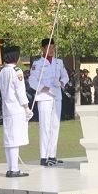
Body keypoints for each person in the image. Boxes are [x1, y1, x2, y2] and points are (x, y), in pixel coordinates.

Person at [29, 38, 69, 167]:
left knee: (55, 126)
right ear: (43, 48)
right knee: (45, 126)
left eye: (53, 47)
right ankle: (44, 156)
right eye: (49, 47)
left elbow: (65, 76)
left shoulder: (59, 62)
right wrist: (45, 88)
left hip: (56, 96)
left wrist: (62, 82)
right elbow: (33, 82)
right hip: (45, 97)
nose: (52, 50)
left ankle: (52, 155)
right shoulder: (38, 63)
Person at [0, 46, 32, 178]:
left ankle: (12, 167)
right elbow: (20, 92)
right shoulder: (16, 71)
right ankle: (14, 169)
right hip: (16, 108)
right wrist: (27, 108)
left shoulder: (2, 72)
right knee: (15, 139)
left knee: (9, 139)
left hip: (7, 108)